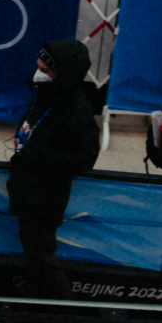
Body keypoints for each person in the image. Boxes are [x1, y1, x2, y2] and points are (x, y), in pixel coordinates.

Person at [7, 39, 100, 299]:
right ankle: (35, 309)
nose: (38, 73)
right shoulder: (46, 95)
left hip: (45, 198)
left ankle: (66, 313)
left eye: (45, 70)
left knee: (42, 257)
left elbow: (85, 158)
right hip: (28, 190)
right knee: (35, 259)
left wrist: (36, 155)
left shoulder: (77, 110)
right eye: (38, 67)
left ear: (63, 73)